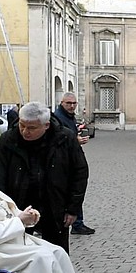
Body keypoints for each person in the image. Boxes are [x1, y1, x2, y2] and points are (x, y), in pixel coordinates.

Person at [0, 101, 88, 253]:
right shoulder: (9, 139)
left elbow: (79, 173)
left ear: (46, 125)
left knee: (57, 253)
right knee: (17, 252)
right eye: (22, 125)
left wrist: (73, 208)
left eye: (31, 128)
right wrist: (1, 208)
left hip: (55, 204)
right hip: (18, 205)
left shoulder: (65, 138)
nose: (25, 131)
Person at [51, 92, 95, 236]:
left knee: (76, 190)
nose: (71, 106)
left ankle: (77, 222)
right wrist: (75, 141)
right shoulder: (58, 117)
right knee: (71, 191)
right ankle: (75, 223)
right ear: (62, 103)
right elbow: (56, 140)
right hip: (63, 162)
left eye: (74, 103)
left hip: (72, 158)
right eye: (68, 103)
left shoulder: (69, 116)